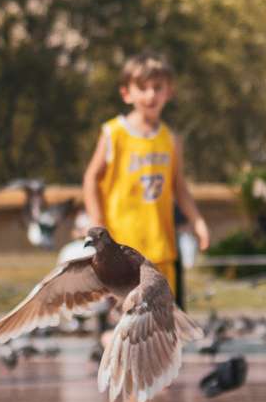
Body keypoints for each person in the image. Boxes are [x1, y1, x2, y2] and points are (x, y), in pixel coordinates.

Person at [80, 53, 210, 306]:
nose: (150, 95)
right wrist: (97, 223)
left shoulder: (171, 139)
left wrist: (198, 221)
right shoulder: (114, 133)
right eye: (142, 88)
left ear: (168, 93)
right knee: (124, 319)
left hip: (159, 246)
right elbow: (91, 179)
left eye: (157, 88)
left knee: (158, 322)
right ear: (127, 93)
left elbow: (178, 185)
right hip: (122, 248)